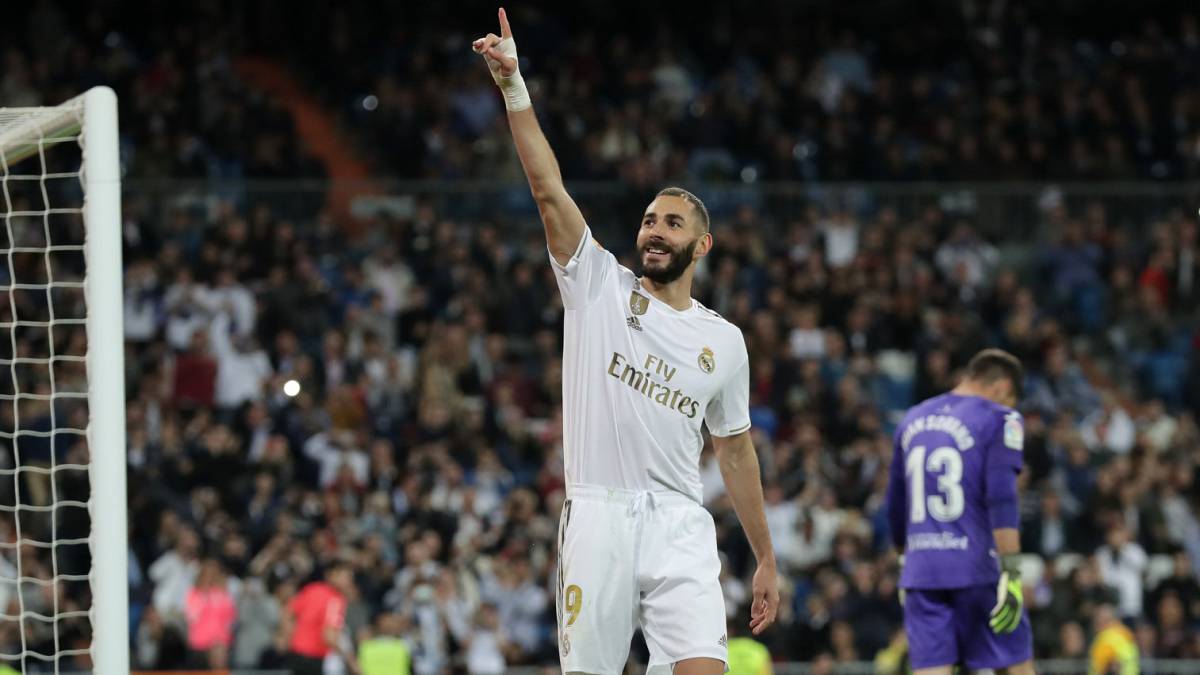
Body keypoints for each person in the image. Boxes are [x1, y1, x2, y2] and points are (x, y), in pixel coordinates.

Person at [472, 9, 779, 675]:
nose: (654, 230)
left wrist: (765, 556)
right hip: (600, 515)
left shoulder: (723, 341)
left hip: (680, 522)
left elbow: (734, 453)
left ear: (702, 244)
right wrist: (514, 88)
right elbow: (549, 192)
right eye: (648, 219)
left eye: (672, 222)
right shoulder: (597, 285)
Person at [886, 349, 1034, 674]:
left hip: (922, 572)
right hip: (979, 568)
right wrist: (1012, 571)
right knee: (1015, 667)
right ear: (1002, 387)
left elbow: (895, 504)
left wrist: (902, 558)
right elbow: (1002, 497)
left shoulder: (911, 419)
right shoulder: (1000, 418)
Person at [283, 564, 357, 675]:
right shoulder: (335, 600)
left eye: (350, 577)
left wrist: (290, 635)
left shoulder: (312, 589)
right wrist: (350, 660)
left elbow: (287, 612)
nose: (348, 581)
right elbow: (329, 637)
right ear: (331, 576)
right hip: (313, 657)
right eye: (344, 577)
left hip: (295, 654)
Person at [1088, 604, 1139, 675]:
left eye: (1099, 620)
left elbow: (1104, 669)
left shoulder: (1106, 640)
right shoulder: (1126, 635)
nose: (1096, 623)